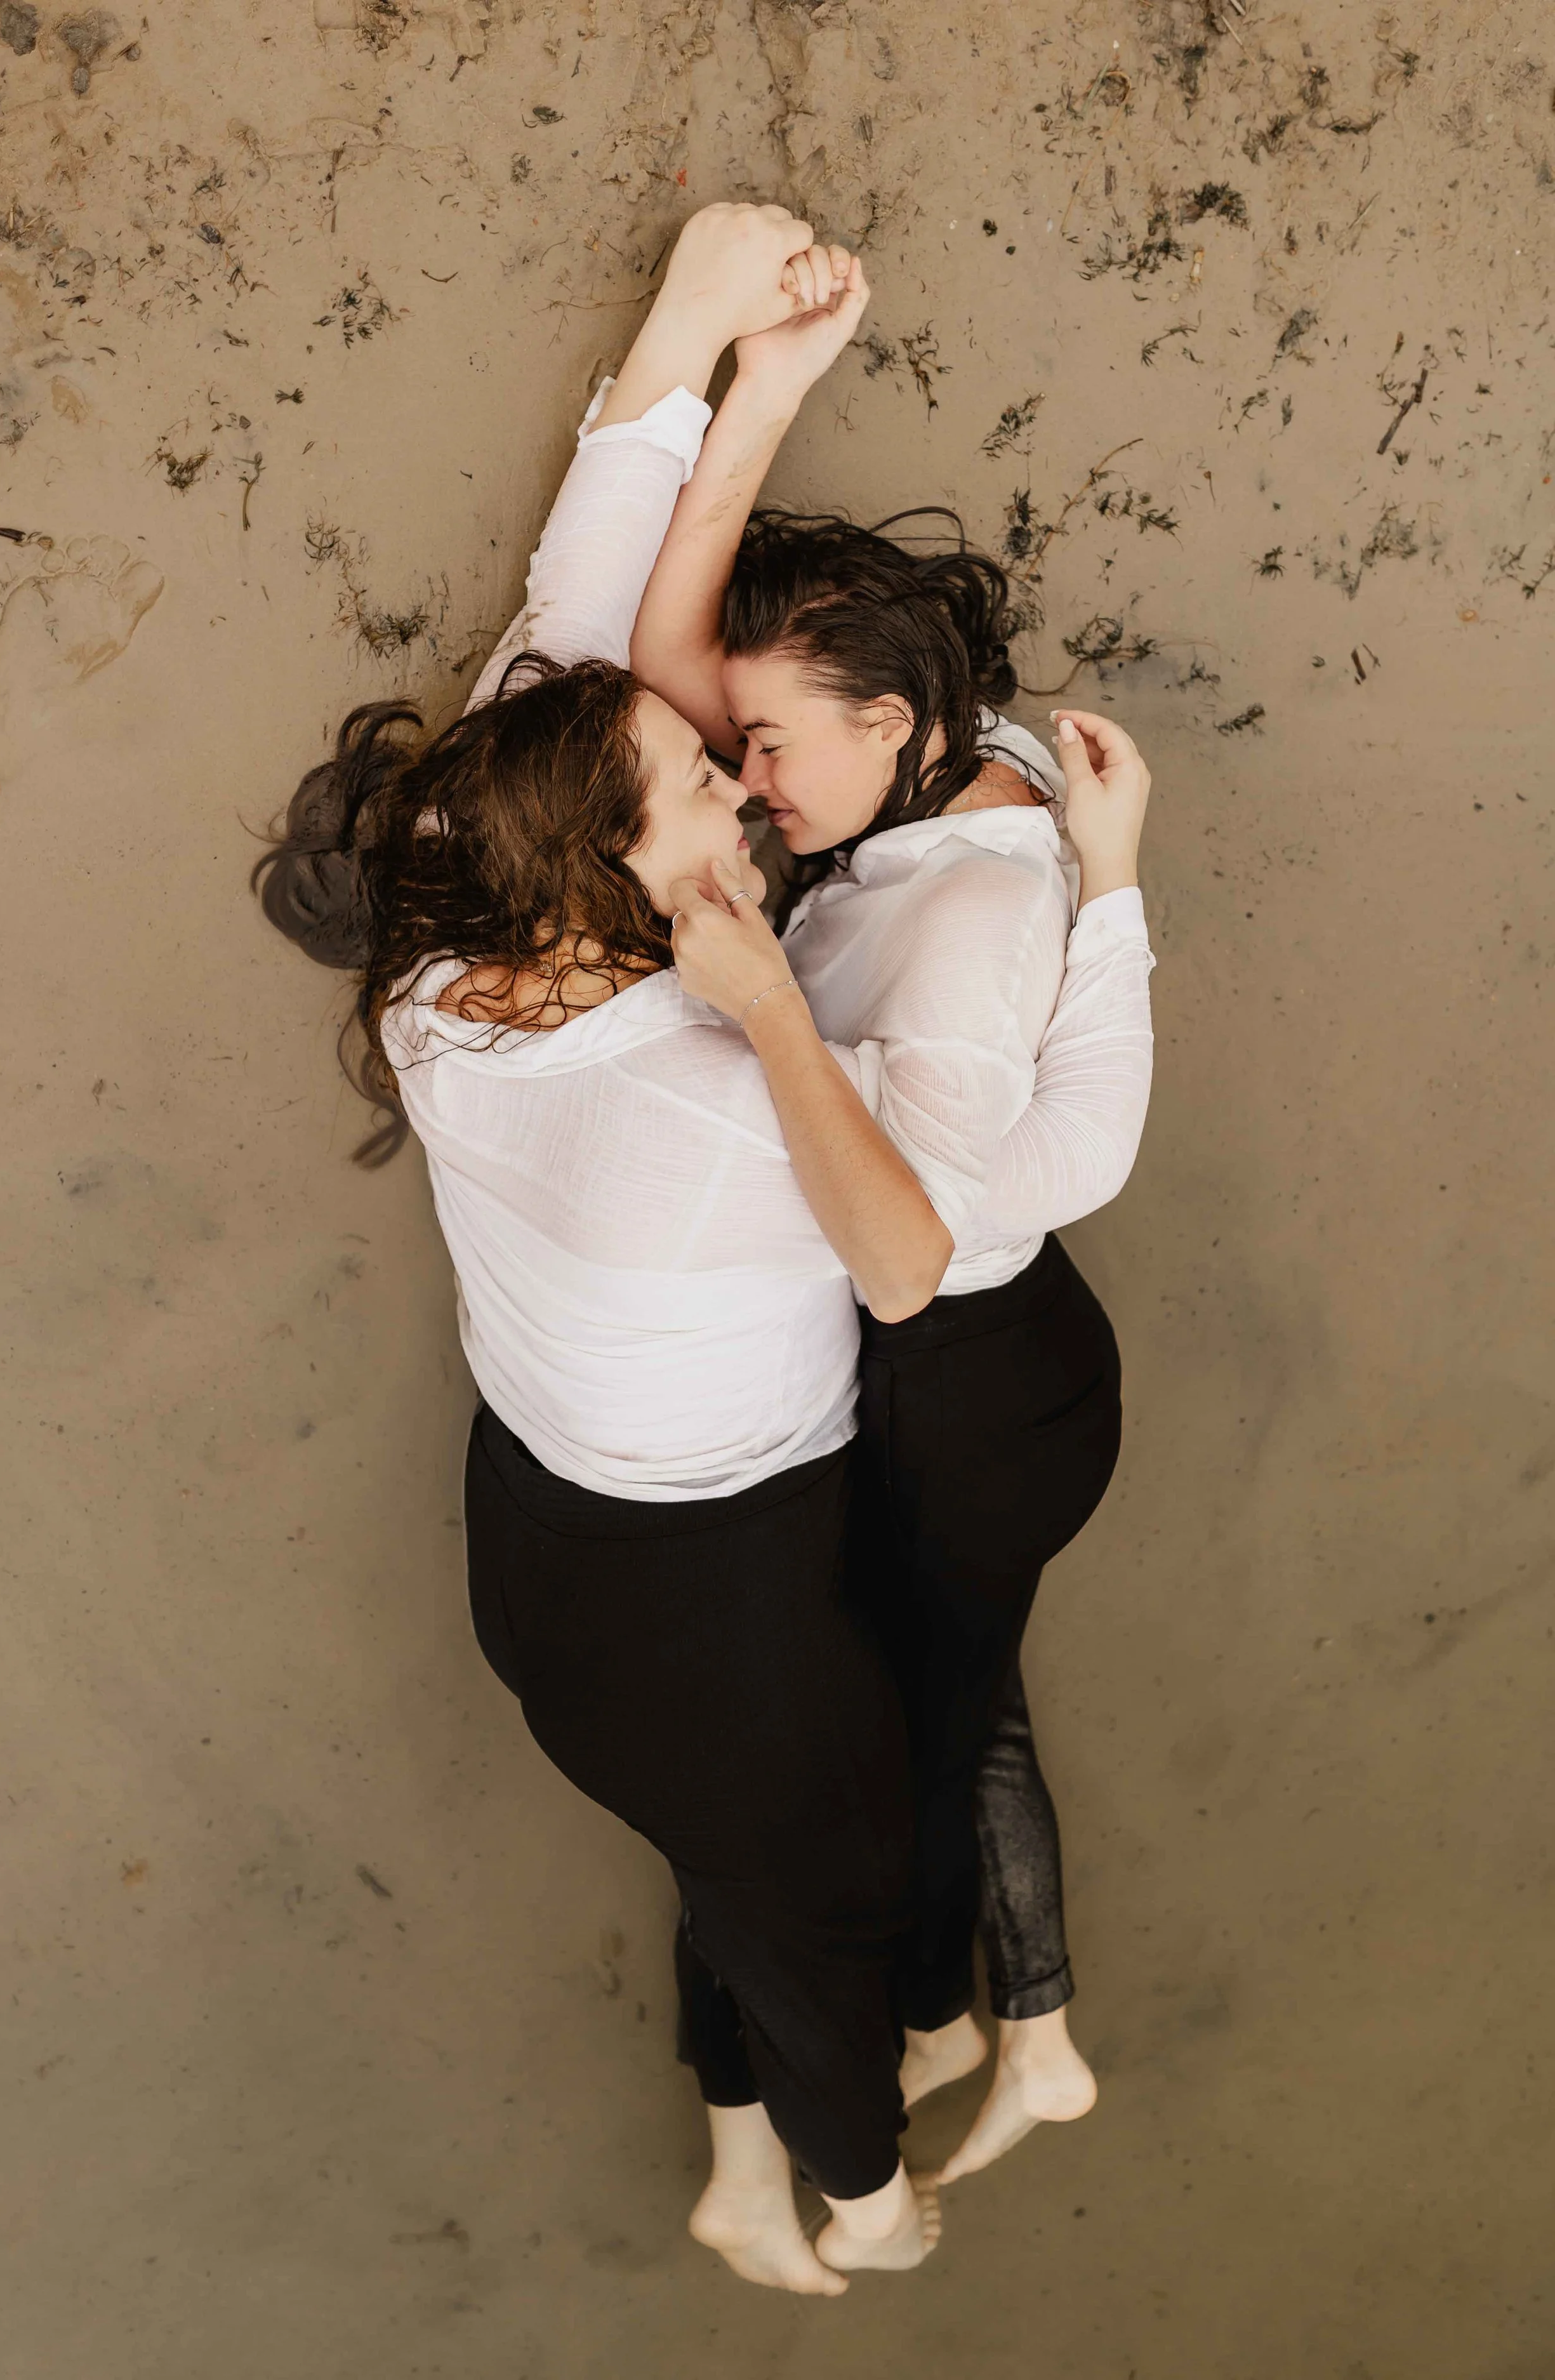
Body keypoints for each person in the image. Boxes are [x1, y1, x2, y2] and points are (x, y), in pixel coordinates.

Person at [632, 248, 1155, 2187]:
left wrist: (1097, 899)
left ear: (889, 713)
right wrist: (751, 396)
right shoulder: (941, 778)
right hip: (994, 1358)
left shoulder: (949, 912)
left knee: (932, 1728)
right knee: (959, 1693)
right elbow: (680, 672)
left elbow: (915, 1248)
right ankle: (1009, 2029)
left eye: (772, 744)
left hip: (972, 1392)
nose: (745, 778)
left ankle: (976, 2023)